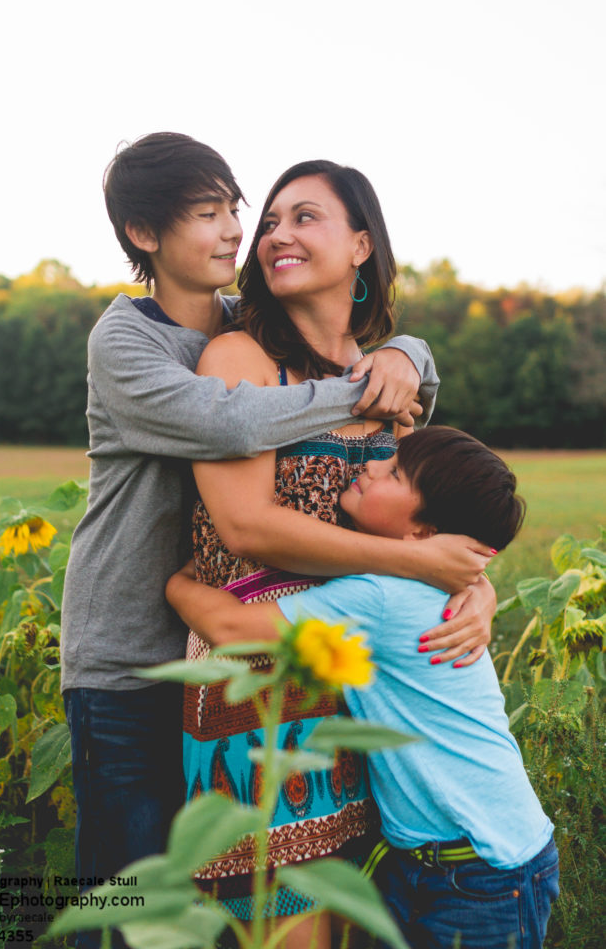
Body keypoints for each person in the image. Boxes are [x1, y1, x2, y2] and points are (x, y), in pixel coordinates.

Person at [59, 134, 480, 945]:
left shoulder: (254, 329)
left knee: (226, 903)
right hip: (127, 658)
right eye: (207, 214)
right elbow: (229, 420)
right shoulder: (129, 342)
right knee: (128, 893)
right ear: (144, 235)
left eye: (233, 213)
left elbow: (393, 417)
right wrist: (371, 381)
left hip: (234, 642)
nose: (235, 234)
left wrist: (403, 352)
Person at [178, 161, 497, 944]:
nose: (277, 234)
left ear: (360, 243)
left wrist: (473, 588)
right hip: (254, 677)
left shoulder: (390, 380)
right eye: (271, 222)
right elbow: (247, 527)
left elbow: (429, 526)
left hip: (361, 683)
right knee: (286, 918)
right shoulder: (238, 360)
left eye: (304, 217)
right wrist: (422, 569)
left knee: (355, 910)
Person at [167, 427, 559, 949]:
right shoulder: (424, 583)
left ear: (423, 534)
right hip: (443, 858)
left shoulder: (379, 596)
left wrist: (178, 585)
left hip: (483, 871)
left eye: (394, 472)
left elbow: (232, 630)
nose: (371, 465)